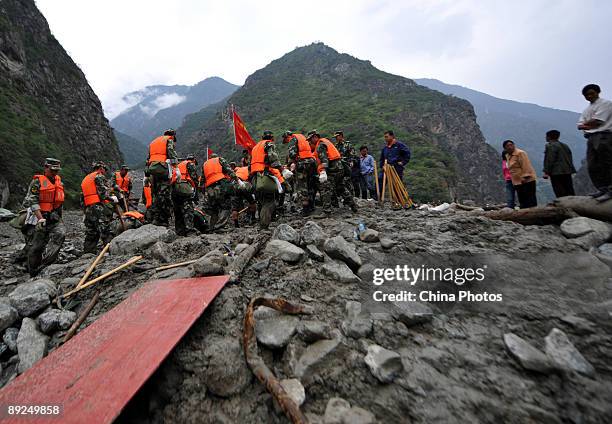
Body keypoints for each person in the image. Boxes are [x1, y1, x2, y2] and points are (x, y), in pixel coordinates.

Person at [14, 158, 66, 277]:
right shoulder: (37, 182)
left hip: (53, 217)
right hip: (38, 217)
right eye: (53, 170)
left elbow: (59, 202)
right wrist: (40, 218)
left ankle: (46, 264)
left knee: (60, 234)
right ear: (46, 167)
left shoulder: (59, 182)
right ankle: (32, 270)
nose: (55, 173)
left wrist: (59, 217)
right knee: (37, 245)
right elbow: (32, 201)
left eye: (57, 170)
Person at [308, 130, 357, 214]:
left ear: (315, 137)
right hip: (340, 167)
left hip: (333, 169)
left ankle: (326, 211)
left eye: (310, 139)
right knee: (341, 187)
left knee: (325, 188)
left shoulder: (320, 145)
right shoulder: (326, 142)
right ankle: (353, 206)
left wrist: (323, 172)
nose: (309, 142)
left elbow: (324, 161)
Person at [577, 84, 612, 202]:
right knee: (592, 165)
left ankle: (610, 189)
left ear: (598, 92)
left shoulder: (606, 104)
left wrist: (586, 124)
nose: (589, 96)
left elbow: (598, 121)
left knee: (606, 163)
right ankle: (602, 188)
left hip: (604, 136)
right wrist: (587, 124)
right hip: (591, 137)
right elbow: (579, 124)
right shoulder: (587, 109)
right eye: (587, 95)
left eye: (592, 93)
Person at [81, 162, 119, 253]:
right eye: (104, 169)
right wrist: (112, 199)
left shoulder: (86, 178)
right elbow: (102, 194)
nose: (105, 172)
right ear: (101, 168)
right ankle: (112, 252)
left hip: (88, 208)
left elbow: (82, 197)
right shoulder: (99, 176)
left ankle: (88, 254)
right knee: (106, 230)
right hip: (97, 207)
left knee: (91, 232)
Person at [250, 130, 283, 229]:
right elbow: (272, 157)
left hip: (255, 176)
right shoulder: (268, 144)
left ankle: (262, 224)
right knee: (270, 201)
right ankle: (264, 226)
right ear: (272, 138)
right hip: (264, 175)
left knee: (262, 201)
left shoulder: (255, 147)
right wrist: (281, 169)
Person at [146, 129, 178, 226]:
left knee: (155, 194)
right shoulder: (169, 140)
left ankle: (155, 218)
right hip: (162, 169)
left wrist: (146, 174)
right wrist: (176, 167)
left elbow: (148, 159)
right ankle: (163, 220)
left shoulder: (154, 142)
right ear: (172, 135)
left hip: (152, 169)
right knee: (164, 194)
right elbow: (171, 154)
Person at [283, 130, 317, 216]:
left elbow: (292, 154)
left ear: (287, 137)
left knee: (302, 186)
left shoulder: (293, 139)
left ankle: (306, 211)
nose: (287, 142)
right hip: (311, 162)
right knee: (310, 185)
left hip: (302, 163)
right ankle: (312, 206)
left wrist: (291, 163)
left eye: (286, 140)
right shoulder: (301, 137)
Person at [201, 153, 237, 231]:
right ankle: (220, 226)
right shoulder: (219, 159)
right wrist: (236, 178)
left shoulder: (205, 164)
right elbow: (228, 170)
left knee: (214, 208)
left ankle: (212, 227)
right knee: (225, 206)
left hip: (210, 188)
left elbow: (202, 179)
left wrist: (203, 191)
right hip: (220, 185)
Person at [503, 140, 537, 208]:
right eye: (508, 146)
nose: (510, 147)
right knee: (522, 199)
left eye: (511, 145)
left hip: (526, 180)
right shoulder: (508, 156)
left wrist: (525, 177)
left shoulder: (520, 153)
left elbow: (526, 165)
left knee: (530, 199)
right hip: (517, 181)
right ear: (505, 148)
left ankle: (533, 213)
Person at [542, 130, 576, 198]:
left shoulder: (550, 146)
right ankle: (573, 204)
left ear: (549, 137)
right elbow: (569, 157)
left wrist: (546, 172)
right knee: (569, 189)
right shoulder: (565, 145)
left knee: (559, 191)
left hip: (556, 172)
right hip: (567, 171)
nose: (545, 137)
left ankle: (563, 206)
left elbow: (550, 159)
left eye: (546, 136)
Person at [173, 155, 198, 235]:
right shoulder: (190, 164)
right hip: (184, 187)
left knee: (177, 209)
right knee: (188, 209)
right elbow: (194, 178)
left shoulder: (179, 165)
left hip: (175, 187)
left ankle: (179, 231)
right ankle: (189, 230)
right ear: (193, 160)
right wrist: (196, 191)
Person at [230, 161, 257, 226]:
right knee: (252, 202)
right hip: (243, 185)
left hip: (234, 185)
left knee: (235, 207)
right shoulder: (250, 170)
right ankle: (253, 218)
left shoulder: (238, 169)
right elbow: (252, 183)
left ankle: (236, 224)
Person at [333, 131, 358, 199]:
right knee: (340, 182)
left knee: (347, 180)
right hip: (338, 166)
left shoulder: (347, 144)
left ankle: (351, 197)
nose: (336, 138)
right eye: (335, 137)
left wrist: (351, 161)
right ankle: (343, 198)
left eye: (337, 136)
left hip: (347, 165)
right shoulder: (335, 146)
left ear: (341, 136)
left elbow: (352, 154)